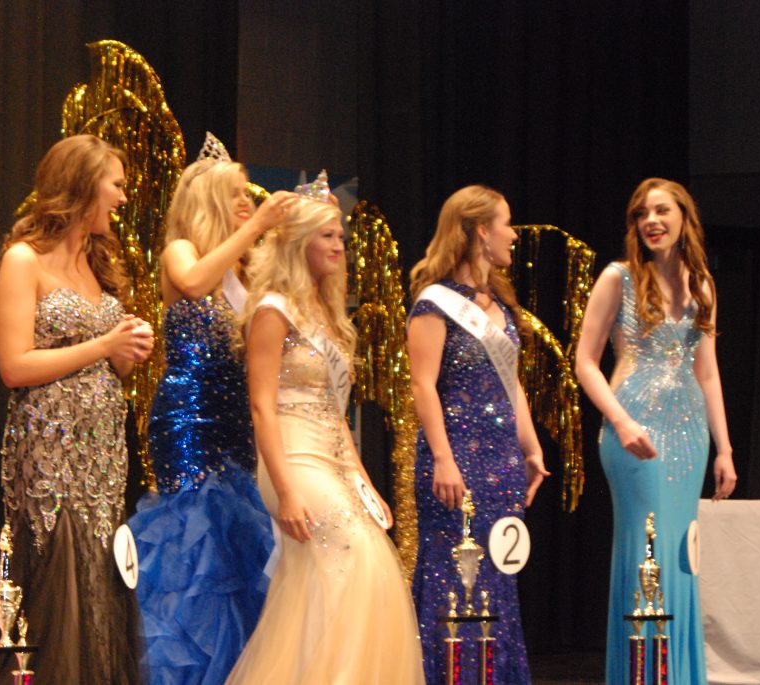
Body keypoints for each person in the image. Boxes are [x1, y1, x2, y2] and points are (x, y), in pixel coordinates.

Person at [226, 181, 425, 684]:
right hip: (292, 460)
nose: (340, 246)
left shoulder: (325, 314)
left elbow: (335, 412)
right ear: (299, 243)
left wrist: (363, 479)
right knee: (356, 561)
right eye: (327, 236)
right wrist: (287, 490)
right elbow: (260, 406)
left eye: (341, 236)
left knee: (361, 573)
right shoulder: (273, 309)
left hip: (331, 460)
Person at [128, 135, 295, 684]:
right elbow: (194, 282)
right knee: (192, 543)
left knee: (234, 548)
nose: (248, 204)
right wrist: (255, 226)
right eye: (236, 195)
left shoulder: (247, 273)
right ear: (208, 201)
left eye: (249, 196)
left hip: (235, 422)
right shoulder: (181, 251)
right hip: (189, 416)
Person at [0, 135, 154, 684]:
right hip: (49, 452)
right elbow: (14, 365)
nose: (123, 198)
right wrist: (104, 345)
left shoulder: (98, 265)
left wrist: (127, 348)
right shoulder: (23, 260)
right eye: (116, 184)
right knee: (57, 572)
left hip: (103, 456)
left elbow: (110, 369)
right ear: (83, 186)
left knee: (98, 579)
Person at [575, 178, 736, 685]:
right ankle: (644, 674)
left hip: (689, 435)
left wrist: (725, 450)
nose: (652, 221)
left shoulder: (702, 285)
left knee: (680, 556)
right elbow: (584, 361)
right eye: (642, 213)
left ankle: (678, 675)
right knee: (649, 551)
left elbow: (707, 373)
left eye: (662, 210)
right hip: (632, 433)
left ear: (684, 218)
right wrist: (620, 422)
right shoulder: (617, 277)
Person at [407, 184, 549, 685]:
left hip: (503, 465)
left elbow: (512, 389)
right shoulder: (435, 303)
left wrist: (531, 450)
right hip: (456, 465)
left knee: (497, 588)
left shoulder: (501, 308)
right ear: (480, 231)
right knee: (455, 585)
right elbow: (423, 385)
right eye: (506, 224)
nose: (513, 234)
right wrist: (443, 459)